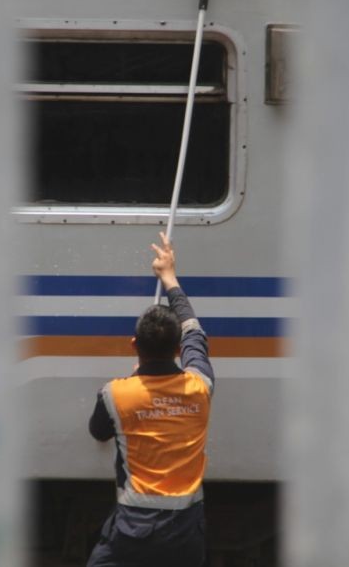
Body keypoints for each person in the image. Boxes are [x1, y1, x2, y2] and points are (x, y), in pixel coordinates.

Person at [86, 232, 214, 567]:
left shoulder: (116, 393)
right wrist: (169, 277)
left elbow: (98, 432)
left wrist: (135, 381)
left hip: (133, 529)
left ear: (133, 345)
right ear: (177, 351)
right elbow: (193, 332)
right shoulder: (200, 385)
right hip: (187, 531)